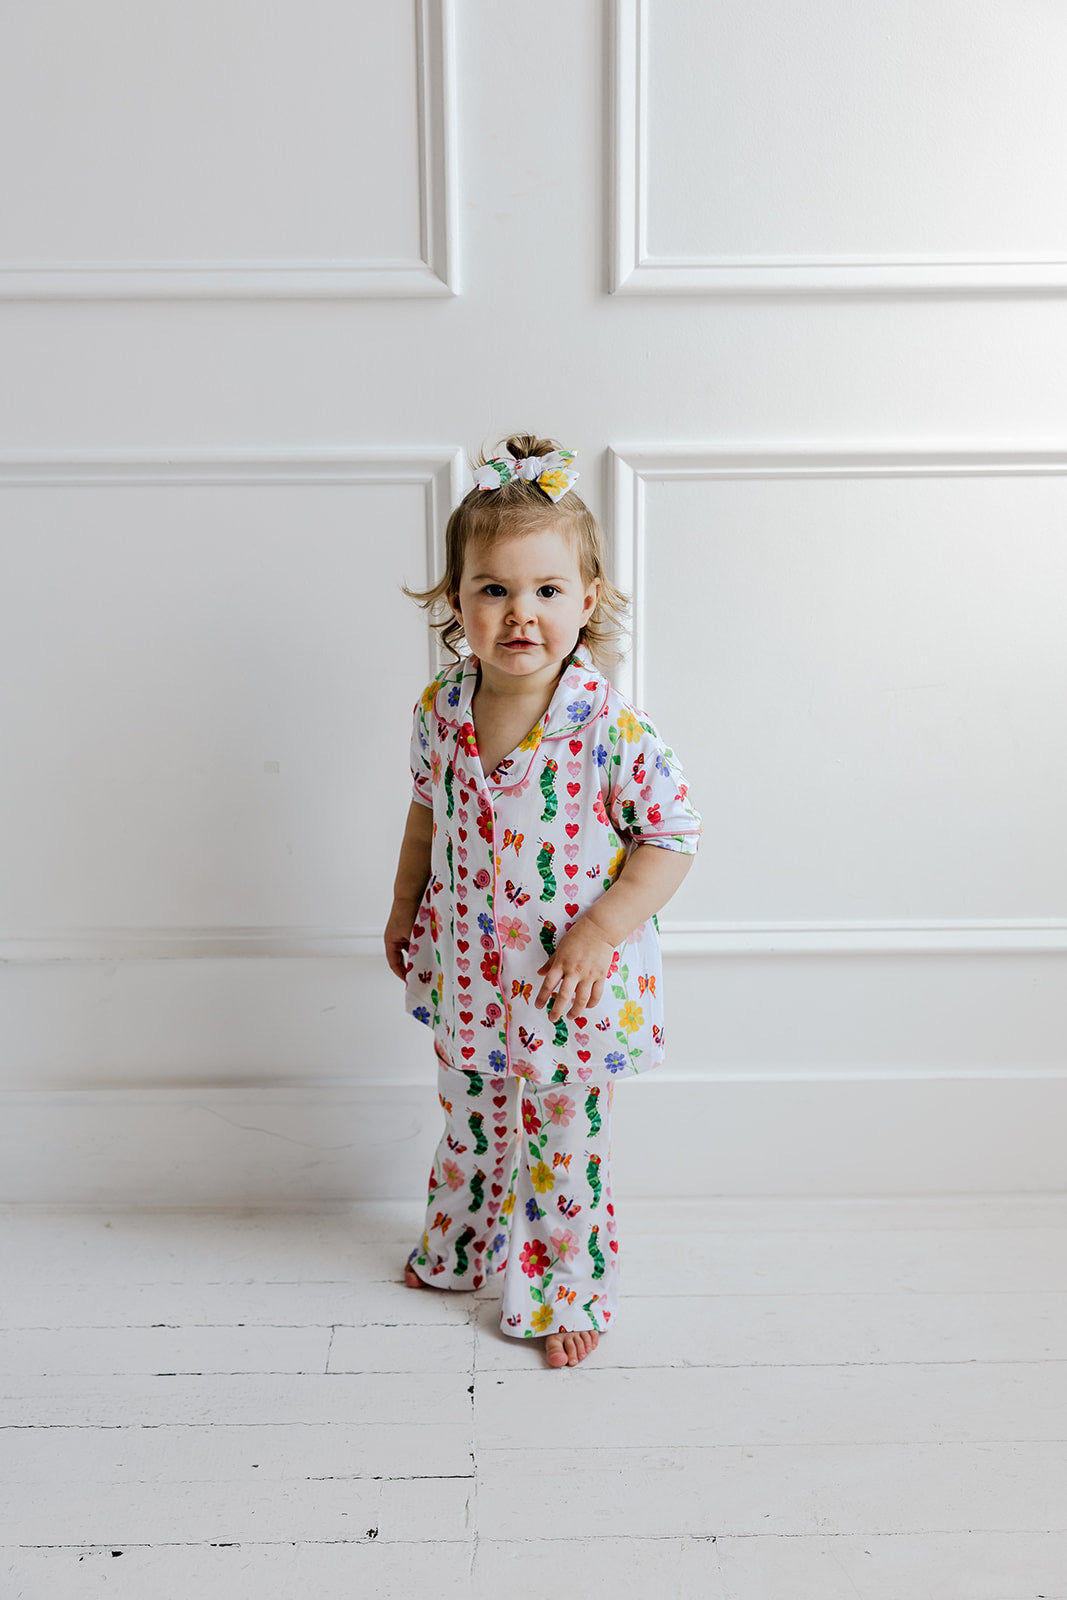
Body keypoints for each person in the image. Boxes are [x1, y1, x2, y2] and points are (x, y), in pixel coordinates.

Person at [384, 433, 702, 1369]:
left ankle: (568, 1289)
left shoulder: (612, 729)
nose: (520, 613)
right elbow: (425, 816)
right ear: (456, 603)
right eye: (494, 589)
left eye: (547, 591)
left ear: (587, 601)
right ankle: (460, 1251)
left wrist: (601, 932)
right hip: (468, 971)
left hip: (568, 983)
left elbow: (670, 838)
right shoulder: (440, 710)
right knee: (470, 1117)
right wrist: (403, 906)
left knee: (562, 1146)